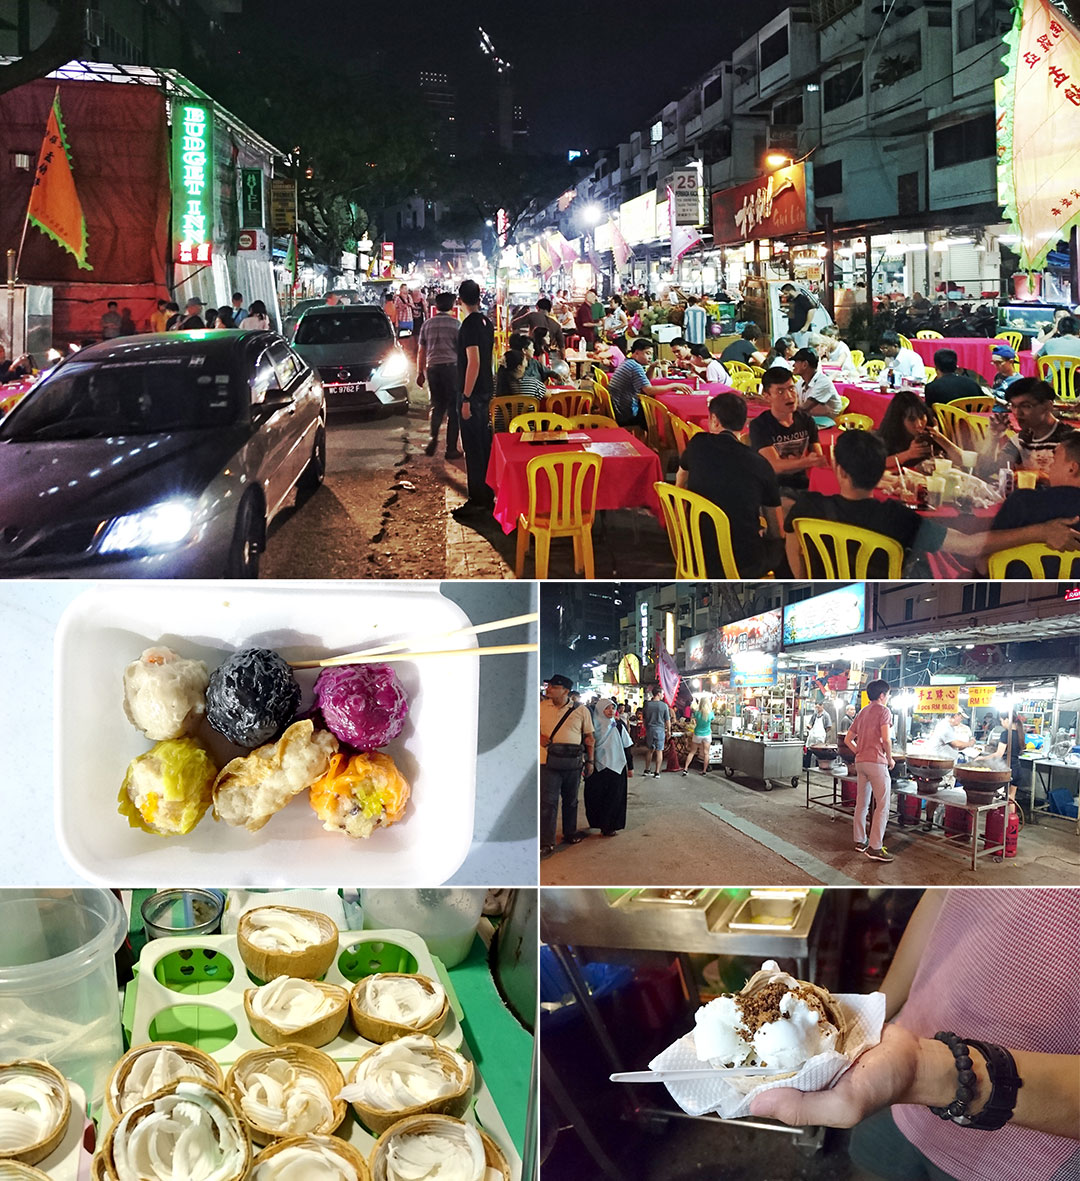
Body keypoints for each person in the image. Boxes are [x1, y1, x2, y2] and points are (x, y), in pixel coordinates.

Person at [749, 889, 1080, 1181]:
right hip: (896, 1090)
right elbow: (942, 897)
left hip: (1033, 1154)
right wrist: (872, 1019)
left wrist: (925, 1071)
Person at [785, 429, 1079, 577]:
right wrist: (1041, 532)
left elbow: (793, 550)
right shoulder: (899, 518)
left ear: (840, 471)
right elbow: (970, 545)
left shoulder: (805, 508)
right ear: (881, 472)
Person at [677, 391, 785, 577]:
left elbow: (680, 482)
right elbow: (777, 531)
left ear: (714, 420)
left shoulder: (697, 444)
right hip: (742, 564)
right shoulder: (760, 464)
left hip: (694, 550)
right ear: (744, 425)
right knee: (783, 546)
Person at [749, 366, 826, 502]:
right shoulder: (760, 425)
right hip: (774, 488)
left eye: (791, 389)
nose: (789, 396)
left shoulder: (806, 420)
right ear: (767, 396)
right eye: (780, 391)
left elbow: (818, 458)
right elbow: (775, 466)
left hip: (804, 485)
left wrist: (806, 462)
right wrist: (806, 462)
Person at [540, 675, 594, 857]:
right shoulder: (540, 708)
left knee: (571, 801)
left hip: (573, 763)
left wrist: (591, 761)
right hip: (547, 762)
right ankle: (547, 841)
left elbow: (589, 737)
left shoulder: (581, 710)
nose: (548, 689)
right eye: (549, 686)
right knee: (548, 802)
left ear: (565, 691)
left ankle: (570, 833)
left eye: (553, 686)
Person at [454, 278, 495, 518]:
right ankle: (486, 496)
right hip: (485, 391)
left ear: (460, 300)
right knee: (483, 446)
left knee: (474, 448)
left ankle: (478, 500)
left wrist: (466, 397)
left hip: (474, 395)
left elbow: (475, 362)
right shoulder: (486, 322)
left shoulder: (469, 325)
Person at [843, 678, 895, 862]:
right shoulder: (884, 711)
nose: (887, 697)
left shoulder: (862, 712)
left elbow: (848, 739)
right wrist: (889, 758)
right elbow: (886, 739)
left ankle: (860, 841)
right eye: (887, 694)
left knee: (862, 803)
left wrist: (860, 751)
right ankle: (875, 847)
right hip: (876, 763)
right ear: (882, 695)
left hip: (861, 762)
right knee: (882, 805)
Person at [990, 432, 1080, 537]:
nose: (1050, 465)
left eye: (1054, 460)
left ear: (1072, 468)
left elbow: (985, 546)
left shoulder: (1023, 503)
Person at [986, 377, 1074, 477]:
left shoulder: (1069, 441)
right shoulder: (1021, 439)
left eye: (1026, 406)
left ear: (1047, 406)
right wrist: (994, 437)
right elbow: (988, 471)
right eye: (1013, 406)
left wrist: (1038, 476)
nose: (1017, 413)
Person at [416, 290, 461, 460]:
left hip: (433, 368)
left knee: (436, 406)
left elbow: (421, 351)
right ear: (452, 306)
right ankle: (451, 449)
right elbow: (461, 351)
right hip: (451, 369)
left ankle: (433, 438)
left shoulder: (427, 324)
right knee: (453, 410)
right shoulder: (456, 325)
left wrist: (419, 372)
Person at [607, 338, 692, 427]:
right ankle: (658, 437)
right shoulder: (635, 367)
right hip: (626, 413)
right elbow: (649, 390)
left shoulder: (628, 362)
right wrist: (673, 386)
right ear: (636, 353)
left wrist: (652, 367)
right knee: (663, 415)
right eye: (647, 353)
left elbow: (644, 382)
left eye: (651, 354)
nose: (650, 357)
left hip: (619, 408)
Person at [583, 697, 632, 837]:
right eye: (607, 708)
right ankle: (598, 822)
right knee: (596, 797)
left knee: (614, 797)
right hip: (596, 766)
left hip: (617, 766)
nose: (611, 711)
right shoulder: (591, 726)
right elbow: (586, 744)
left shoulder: (618, 725)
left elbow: (627, 746)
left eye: (613, 708)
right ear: (599, 709)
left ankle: (610, 826)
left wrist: (630, 766)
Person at [877, 389, 963, 469]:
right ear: (898, 420)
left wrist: (939, 438)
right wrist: (908, 454)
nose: (919, 424)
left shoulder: (931, 432)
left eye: (921, 417)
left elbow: (963, 460)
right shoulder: (888, 437)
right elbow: (876, 463)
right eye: (912, 419)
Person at [792, 347, 842, 424]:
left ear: (805, 364)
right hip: (811, 419)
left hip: (827, 422)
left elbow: (804, 408)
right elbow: (792, 395)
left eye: (796, 362)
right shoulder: (802, 381)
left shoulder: (823, 382)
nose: (793, 365)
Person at [641, 688, 671, 779]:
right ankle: (657, 772)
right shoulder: (664, 706)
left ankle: (647, 769)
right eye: (662, 693)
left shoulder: (647, 705)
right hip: (660, 730)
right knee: (659, 751)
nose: (663, 695)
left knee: (650, 750)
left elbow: (644, 719)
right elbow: (667, 720)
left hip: (650, 729)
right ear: (658, 694)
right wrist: (669, 730)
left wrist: (646, 727)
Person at [682, 693, 714, 776]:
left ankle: (685, 769)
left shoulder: (697, 713)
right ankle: (704, 771)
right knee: (706, 753)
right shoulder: (710, 713)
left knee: (692, 752)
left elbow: (694, 715)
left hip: (697, 734)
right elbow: (712, 720)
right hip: (707, 734)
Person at [993, 710, 1027, 786]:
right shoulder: (1021, 734)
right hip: (1017, 769)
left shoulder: (1005, 734)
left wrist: (982, 758)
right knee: (1011, 797)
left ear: (1007, 720)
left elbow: (999, 754)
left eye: (1001, 721)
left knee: (1002, 796)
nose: (1001, 724)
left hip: (1006, 770)